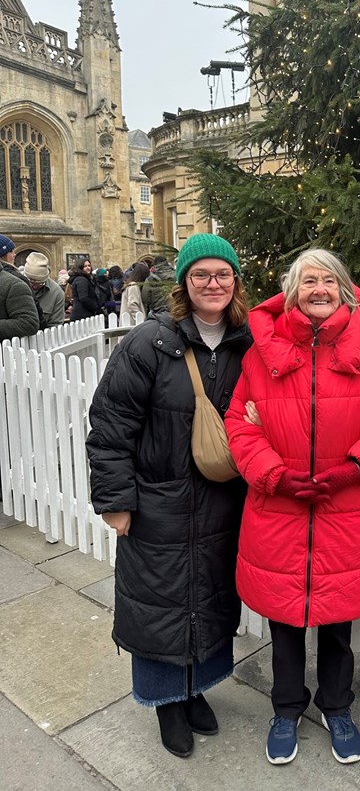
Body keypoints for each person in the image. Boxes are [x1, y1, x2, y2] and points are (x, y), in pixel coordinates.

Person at [225, 248, 360, 767]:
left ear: (345, 289)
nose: (319, 290)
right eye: (308, 281)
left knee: (337, 624)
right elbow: (239, 424)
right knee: (284, 624)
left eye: (329, 281)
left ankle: (337, 706)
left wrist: (353, 468)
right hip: (278, 510)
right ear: (292, 291)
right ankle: (286, 708)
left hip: (346, 510)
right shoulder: (262, 353)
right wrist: (274, 475)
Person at [86, 233, 253, 759]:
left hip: (221, 502)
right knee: (160, 600)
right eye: (201, 275)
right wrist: (116, 500)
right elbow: (111, 426)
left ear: (235, 282)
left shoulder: (244, 344)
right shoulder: (149, 344)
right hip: (158, 500)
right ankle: (166, 700)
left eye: (222, 274)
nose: (213, 284)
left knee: (208, 595)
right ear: (184, 282)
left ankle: (196, 688)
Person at [24, 252, 66, 328]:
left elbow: (55, 326)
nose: (33, 286)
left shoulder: (57, 293)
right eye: (30, 282)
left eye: (39, 283)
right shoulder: (14, 285)